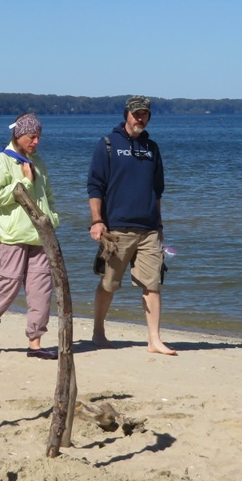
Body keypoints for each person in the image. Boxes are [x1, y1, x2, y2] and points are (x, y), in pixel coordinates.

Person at [86, 95, 176, 355]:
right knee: (108, 283)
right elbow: (95, 186)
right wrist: (97, 221)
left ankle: (154, 340)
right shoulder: (108, 145)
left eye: (144, 114)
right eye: (136, 113)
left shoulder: (152, 148)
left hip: (148, 229)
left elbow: (157, 190)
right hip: (116, 229)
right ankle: (98, 332)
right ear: (126, 114)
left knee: (152, 285)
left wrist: (159, 225)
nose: (140, 118)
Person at [0, 113, 60, 360]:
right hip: (12, 236)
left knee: (41, 289)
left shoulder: (39, 162)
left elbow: (48, 195)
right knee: (9, 284)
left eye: (39, 137)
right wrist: (24, 180)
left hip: (41, 235)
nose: (36, 142)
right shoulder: (2, 160)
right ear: (19, 135)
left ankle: (35, 342)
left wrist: (52, 218)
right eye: (32, 137)